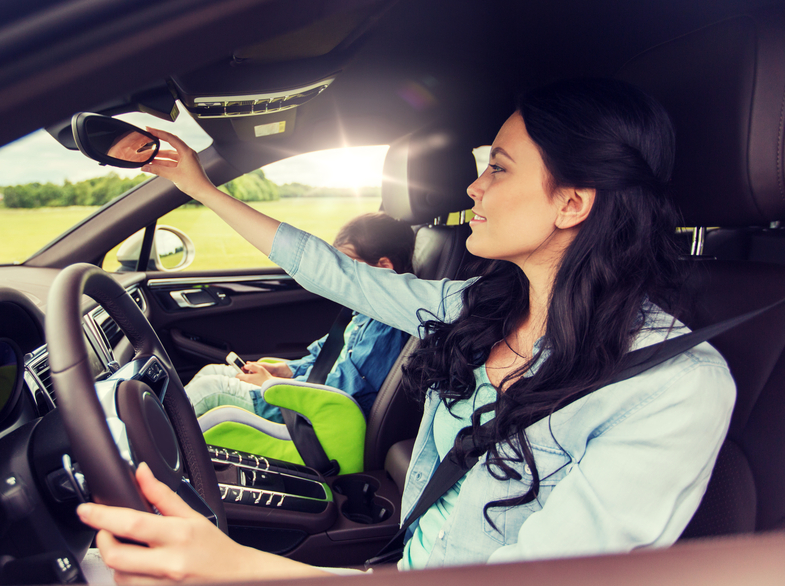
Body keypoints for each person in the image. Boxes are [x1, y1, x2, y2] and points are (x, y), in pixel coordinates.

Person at [75, 79, 735, 581]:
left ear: (572, 202)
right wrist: (204, 188)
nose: (473, 188)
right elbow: (335, 274)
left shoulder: (673, 387)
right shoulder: (478, 306)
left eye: (498, 167)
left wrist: (242, 569)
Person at [184, 212, 413, 423]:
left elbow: (342, 389)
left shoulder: (386, 328)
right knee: (211, 372)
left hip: (316, 418)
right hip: (309, 397)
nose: (337, 276)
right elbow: (323, 359)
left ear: (384, 267)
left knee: (209, 390)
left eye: (346, 265)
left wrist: (272, 385)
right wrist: (287, 370)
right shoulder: (363, 312)